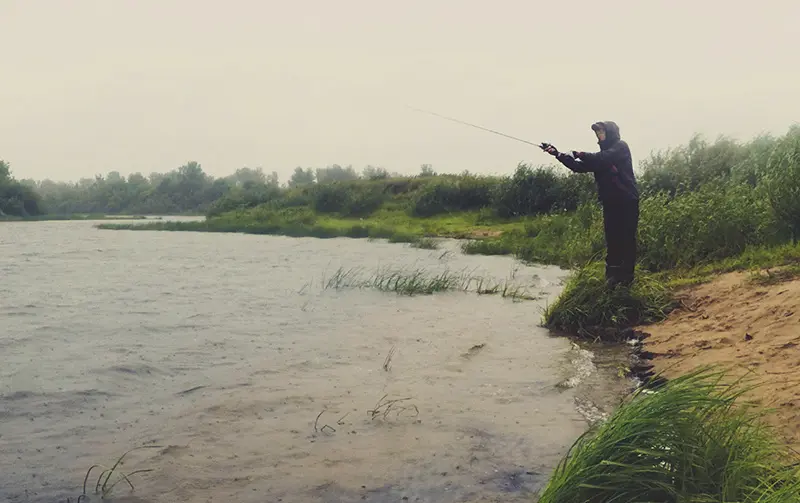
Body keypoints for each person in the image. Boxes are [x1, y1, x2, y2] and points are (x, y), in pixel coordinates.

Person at [542, 121, 640, 287]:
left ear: (610, 132)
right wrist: (557, 154)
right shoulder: (599, 157)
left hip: (627, 201)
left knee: (626, 239)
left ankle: (627, 279)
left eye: (601, 132)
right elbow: (579, 167)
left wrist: (579, 153)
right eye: (597, 133)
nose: (599, 136)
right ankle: (612, 277)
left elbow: (603, 158)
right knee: (612, 238)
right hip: (610, 202)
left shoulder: (620, 147)